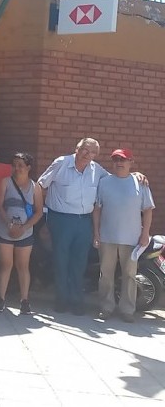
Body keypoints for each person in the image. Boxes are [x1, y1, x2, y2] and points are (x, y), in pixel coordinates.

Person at [38, 138, 146, 315]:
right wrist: (40, 215)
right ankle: (61, 300)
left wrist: (135, 175)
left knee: (79, 262)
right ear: (77, 149)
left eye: (93, 152)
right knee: (61, 260)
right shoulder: (61, 163)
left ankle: (76, 300)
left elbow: (117, 178)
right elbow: (40, 185)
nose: (88, 155)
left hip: (84, 221)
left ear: (96, 155)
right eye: (85, 150)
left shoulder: (97, 170)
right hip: (61, 219)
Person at [93, 149, 154, 323]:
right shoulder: (104, 182)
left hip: (132, 239)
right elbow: (97, 209)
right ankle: (106, 307)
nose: (119, 163)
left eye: (123, 160)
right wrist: (96, 232)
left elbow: (148, 210)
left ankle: (127, 309)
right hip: (107, 237)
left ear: (131, 162)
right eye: (116, 159)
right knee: (106, 274)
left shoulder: (140, 182)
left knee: (129, 275)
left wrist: (145, 234)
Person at [0, 152, 44, 314]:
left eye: (21, 165)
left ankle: (24, 300)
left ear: (28, 167)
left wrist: (25, 227)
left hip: (25, 232)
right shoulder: (5, 183)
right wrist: (9, 224)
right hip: (5, 229)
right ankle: (1, 298)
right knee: (5, 264)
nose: (17, 168)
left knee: (23, 265)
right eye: (14, 165)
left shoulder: (35, 187)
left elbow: (38, 212)